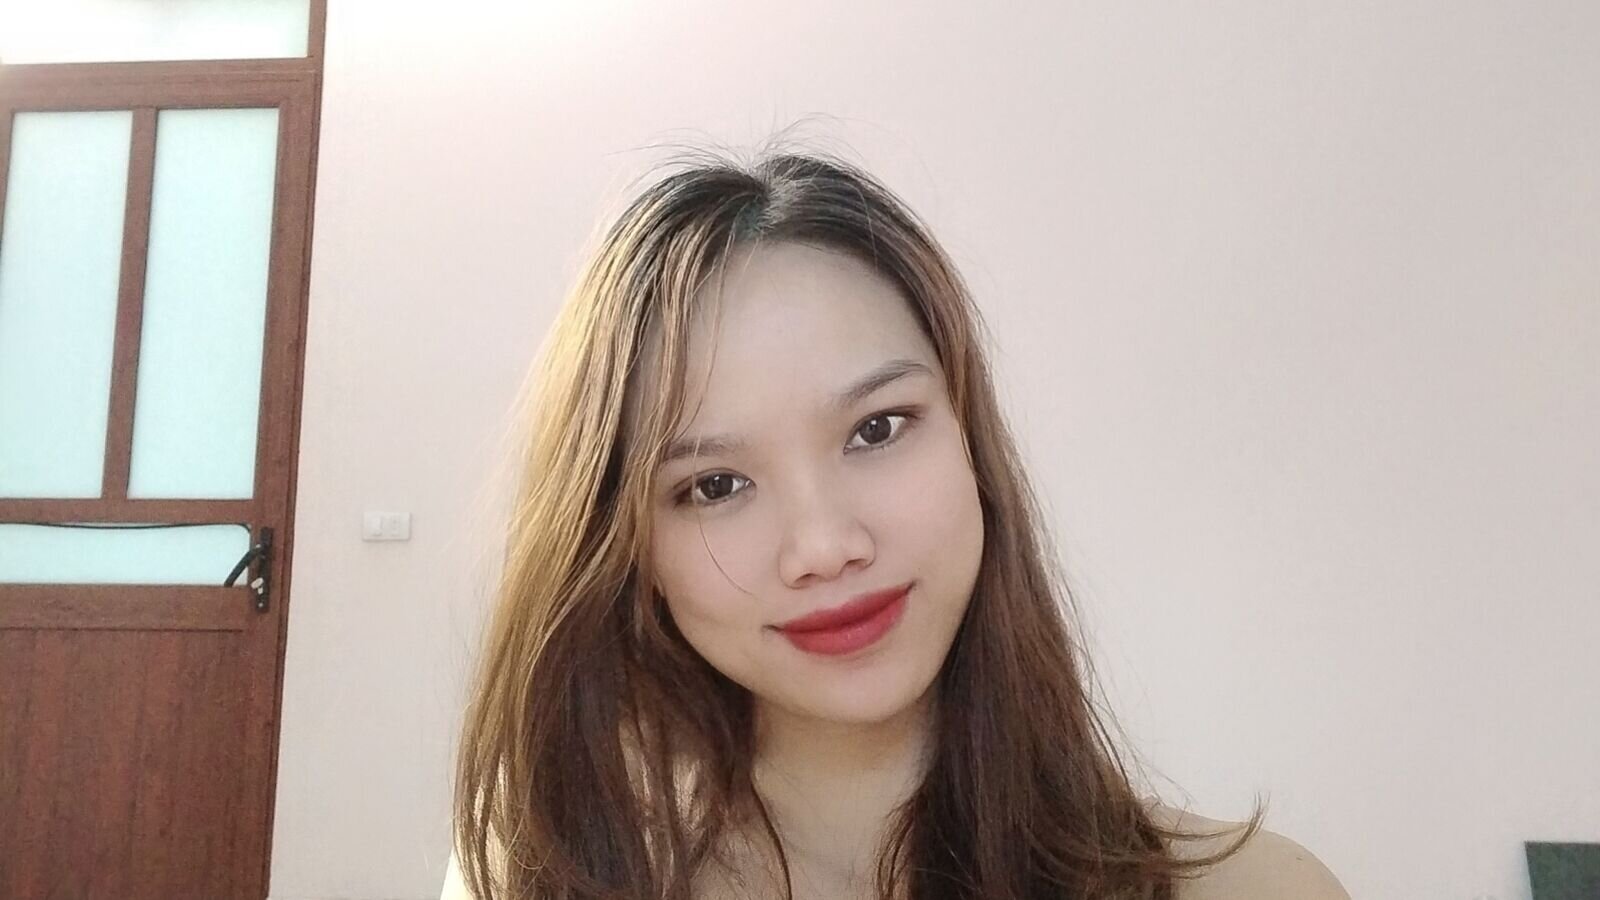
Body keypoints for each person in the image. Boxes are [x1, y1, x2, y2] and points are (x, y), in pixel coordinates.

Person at [444, 148, 1350, 900]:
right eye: (716, 485)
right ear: (632, 550)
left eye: (876, 430)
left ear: (970, 438)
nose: (824, 546)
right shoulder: (529, 879)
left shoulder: (1260, 889)